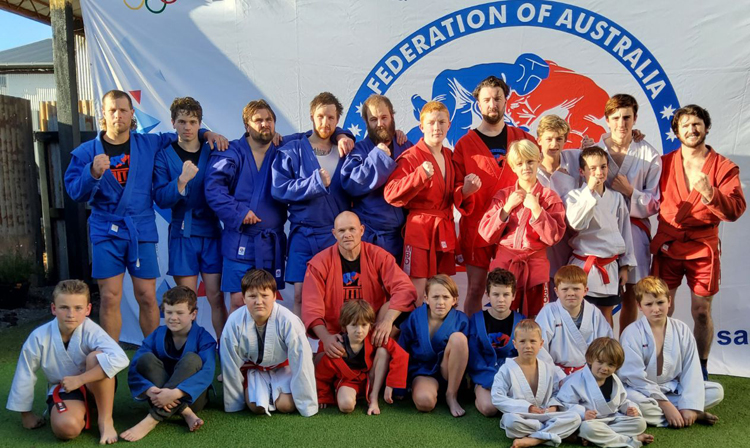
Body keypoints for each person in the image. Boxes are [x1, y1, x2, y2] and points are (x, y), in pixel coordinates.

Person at [64, 89, 227, 340]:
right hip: (105, 228)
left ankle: (154, 355)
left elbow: (183, 134)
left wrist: (208, 133)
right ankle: (111, 362)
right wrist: (92, 173)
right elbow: (75, 192)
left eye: (123, 110)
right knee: (109, 297)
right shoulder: (87, 152)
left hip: (140, 228)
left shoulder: (148, 143)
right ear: (103, 115)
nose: (118, 115)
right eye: (112, 110)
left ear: (131, 114)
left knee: (148, 296)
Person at [650, 104, 746, 379]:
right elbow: (639, 177)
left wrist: (710, 193)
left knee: (701, 311)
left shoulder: (723, 167)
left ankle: (701, 368)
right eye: (686, 125)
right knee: (660, 308)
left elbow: (736, 209)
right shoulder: (663, 163)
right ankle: (661, 365)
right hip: (669, 244)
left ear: (706, 127)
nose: (692, 130)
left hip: (703, 247)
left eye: (697, 124)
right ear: (676, 132)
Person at [6, 280, 129, 444]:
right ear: (53, 309)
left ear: (88, 309)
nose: (71, 314)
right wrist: (26, 414)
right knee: (66, 429)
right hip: (65, 389)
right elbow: (25, 372)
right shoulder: (39, 336)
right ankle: (80, 411)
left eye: (78, 308)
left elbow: (121, 358)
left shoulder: (92, 330)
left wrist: (80, 379)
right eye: (64, 307)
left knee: (97, 357)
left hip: (96, 386)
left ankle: (105, 420)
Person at [453, 75, 535, 316]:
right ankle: (472, 341)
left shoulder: (522, 138)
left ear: (505, 101)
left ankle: (512, 342)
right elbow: (455, 190)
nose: (492, 104)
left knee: (512, 289)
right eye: (486, 99)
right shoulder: (465, 144)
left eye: (497, 98)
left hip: (513, 227)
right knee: (476, 288)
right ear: (478, 103)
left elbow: (541, 169)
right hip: (477, 227)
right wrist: (465, 191)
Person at [384, 101, 480, 300]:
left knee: (443, 288)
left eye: (441, 122)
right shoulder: (410, 157)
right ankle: (415, 331)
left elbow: (453, 192)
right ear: (422, 126)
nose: (436, 127)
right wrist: (419, 175)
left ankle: (441, 331)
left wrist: (466, 191)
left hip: (444, 227)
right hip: (419, 229)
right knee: (416, 290)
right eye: (431, 122)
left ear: (449, 125)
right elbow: (390, 193)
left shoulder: (450, 156)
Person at [271, 92, 355, 315]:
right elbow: (279, 189)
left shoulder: (346, 148)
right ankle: (300, 347)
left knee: (335, 294)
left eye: (331, 118)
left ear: (338, 120)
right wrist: (314, 182)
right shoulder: (293, 147)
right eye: (320, 116)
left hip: (333, 234)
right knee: (300, 295)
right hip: (303, 234)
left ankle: (332, 347)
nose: (325, 123)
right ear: (311, 116)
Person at [153, 97, 226, 338]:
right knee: (186, 301)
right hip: (182, 234)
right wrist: (181, 181)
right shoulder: (164, 155)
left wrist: (209, 134)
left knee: (216, 297)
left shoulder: (212, 147)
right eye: (182, 121)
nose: (187, 127)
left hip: (211, 231)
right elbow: (160, 198)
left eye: (193, 122)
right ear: (173, 122)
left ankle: (224, 351)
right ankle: (187, 353)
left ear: (199, 123)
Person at [302, 211, 416, 359]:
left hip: (370, 330)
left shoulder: (378, 256)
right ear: (334, 233)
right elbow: (311, 308)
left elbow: (405, 289)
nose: (347, 234)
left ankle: (379, 356)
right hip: (337, 336)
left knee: (396, 308)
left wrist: (387, 321)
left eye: (352, 229)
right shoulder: (319, 264)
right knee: (321, 367)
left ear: (361, 230)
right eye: (341, 231)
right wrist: (326, 338)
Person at [592, 94, 662, 335]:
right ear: (607, 120)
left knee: (632, 295)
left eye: (627, 117)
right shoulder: (594, 150)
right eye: (616, 118)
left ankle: (627, 352)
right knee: (601, 298)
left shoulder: (649, 154)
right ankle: (602, 351)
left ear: (635, 119)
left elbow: (654, 202)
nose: (621, 123)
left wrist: (631, 192)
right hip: (600, 231)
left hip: (634, 231)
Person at [619, 276, 723, 428]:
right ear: (639, 306)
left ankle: (684, 411)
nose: (656, 309)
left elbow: (691, 370)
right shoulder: (631, 333)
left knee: (716, 391)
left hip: (672, 387)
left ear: (669, 300)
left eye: (660, 302)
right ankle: (684, 414)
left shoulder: (681, 330)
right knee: (628, 400)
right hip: (641, 391)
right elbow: (634, 377)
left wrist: (690, 404)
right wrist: (665, 405)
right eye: (649, 304)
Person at [479, 139, 566, 317]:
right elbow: (486, 233)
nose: (526, 167)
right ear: (512, 167)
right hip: (504, 266)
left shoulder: (549, 197)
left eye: (530, 161)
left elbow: (554, 237)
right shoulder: (504, 196)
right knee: (501, 315)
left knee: (535, 318)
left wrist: (536, 209)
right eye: (520, 163)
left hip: (534, 268)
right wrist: (506, 209)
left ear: (538, 161)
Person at [122, 286, 216, 441]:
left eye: (180, 313)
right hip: (158, 396)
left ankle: (151, 420)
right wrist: (149, 390)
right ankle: (185, 413)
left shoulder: (204, 338)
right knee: (145, 359)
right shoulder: (157, 334)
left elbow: (208, 371)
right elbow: (134, 368)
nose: (173, 317)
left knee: (192, 359)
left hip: (192, 398)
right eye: (169, 312)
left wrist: (175, 393)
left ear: (193, 314)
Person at [220, 269, 317, 416]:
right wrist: (234, 403)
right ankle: (257, 395)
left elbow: (301, 361)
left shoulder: (288, 320)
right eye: (252, 296)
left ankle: (279, 395)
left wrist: (307, 405)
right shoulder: (234, 322)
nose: (259, 302)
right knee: (256, 407)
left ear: (274, 296)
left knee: (286, 406)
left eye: (264, 295)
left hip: (283, 368)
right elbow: (230, 363)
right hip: (255, 369)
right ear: (244, 298)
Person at [564, 146, 636, 327]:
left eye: (603, 167)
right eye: (593, 168)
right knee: (579, 316)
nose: (599, 172)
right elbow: (576, 223)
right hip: (584, 264)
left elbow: (625, 232)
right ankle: (580, 355)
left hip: (609, 265)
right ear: (582, 171)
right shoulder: (573, 196)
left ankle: (606, 355)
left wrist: (625, 266)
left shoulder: (616, 198)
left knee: (606, 316)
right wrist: (589, 192)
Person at [341, 94, 411, 262]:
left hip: (402, 239)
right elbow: (351, 184)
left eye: (384, 117)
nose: (380, 124)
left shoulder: (405, 145)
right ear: (367, 123)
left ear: (392, 117)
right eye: (373, 119)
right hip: (371, 239)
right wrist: (377, 157)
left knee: (399, 288)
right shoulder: (358, 150)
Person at [491, 319, 581, 448]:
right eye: (522, 341)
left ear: (541, 343)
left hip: (546, 414)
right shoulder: (506, 369)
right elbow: (496, 397)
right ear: (515, 344)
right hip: (522, 416)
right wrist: (527, 408)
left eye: (533, 341)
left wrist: (553, 406)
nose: (528, 346)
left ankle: (534, 440)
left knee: (575, 417)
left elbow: (556, 393)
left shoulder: (549, 368)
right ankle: (555, 433)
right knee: (511, 422)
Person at [315, 300, 409, 415]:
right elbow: (322, 376)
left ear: (370, 326)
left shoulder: (374, 336)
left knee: (383, 351)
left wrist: (390, 385)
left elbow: (401, 354)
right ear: (345, 327)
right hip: (348, 382)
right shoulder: (337, 347)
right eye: (354, 325)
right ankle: (353, 396)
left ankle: (373, 398)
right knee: (346, 406)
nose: (359, 331)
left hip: (371, 378)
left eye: (364, 325)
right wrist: (323, 396)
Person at [556, 337, 653, 448]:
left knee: (640, 423)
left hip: (611, 420)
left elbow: (623, 401)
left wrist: (629, 409)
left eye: (610, 364)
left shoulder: (615, 381)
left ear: (617, 366)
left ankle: (595, 438)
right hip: (589, 422)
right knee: (588, 429)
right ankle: (630, 441)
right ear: (590, 359)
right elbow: (563, 405)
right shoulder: (576, 381)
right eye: (600, 362)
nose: (605, 368)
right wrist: (583, 413)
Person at [398, 275, 469, 417]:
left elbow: (468, 355)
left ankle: (451, 395)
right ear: (426, 298)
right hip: (424, 372)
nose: (440, 302)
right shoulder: (415, 317)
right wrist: (398, 387)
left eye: (446, 297)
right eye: (435, 297)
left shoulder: (461, 320)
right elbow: (402, 348)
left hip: (449, 371)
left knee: (459, 339)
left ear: (454, 300)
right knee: (425, 402)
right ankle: (424, 390)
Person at [468, 268, 525, 417]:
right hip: (485, 376)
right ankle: (477, 395)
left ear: (513, 296)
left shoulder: (521, 322)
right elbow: (475, 357)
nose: (501, 299)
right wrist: (492, 379)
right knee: (489, 408)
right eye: (496, 294)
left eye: (506, 294)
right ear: (487, 295)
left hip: (511, 377)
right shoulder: (476, 320)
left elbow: (524, 356)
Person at [535, 265, 613, 375]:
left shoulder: (594, 313)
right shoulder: (548, 312)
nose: (571, 293)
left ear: (585, 290)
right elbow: (539, 347)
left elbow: (606, 344)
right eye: (565, 289)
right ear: (556, 291)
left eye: (576, 289)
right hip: (555, 374)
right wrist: (557, 376)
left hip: (589, 373)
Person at [535, 115, 580, 299]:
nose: (554, 144)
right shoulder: (530, 166)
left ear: (566, 140)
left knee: (567, 295)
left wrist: (634, 135)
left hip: (570, 241)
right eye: (549, 138)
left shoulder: (576, 158)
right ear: (539, 140)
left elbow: (605, 154)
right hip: (540, 242)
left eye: (559, 139)